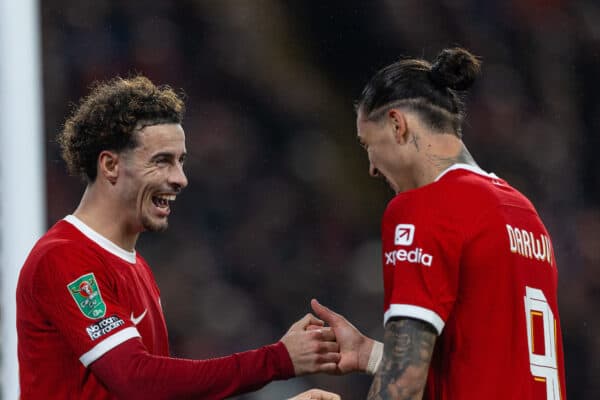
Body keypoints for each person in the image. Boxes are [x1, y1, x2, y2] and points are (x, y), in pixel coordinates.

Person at [16, 76, 355, 399]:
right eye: (162, 162)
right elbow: (136, 379)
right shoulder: (64, 258)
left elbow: (156, 393)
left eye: (180, 162)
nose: (180, 179)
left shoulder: (137, 269)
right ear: (110, 165)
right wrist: (276, 360)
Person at [315, 47, 567, 399]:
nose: (371, 168)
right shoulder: (525, 215)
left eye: (367, 145)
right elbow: (488, 363)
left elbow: (402, 387)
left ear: (396, 124)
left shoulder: (424, 208)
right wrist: (370, 355)